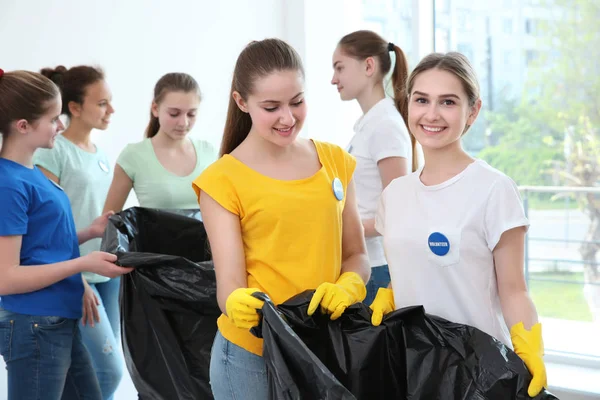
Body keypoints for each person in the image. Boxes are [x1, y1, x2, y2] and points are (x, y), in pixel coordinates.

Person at [192, 39, 370, 399]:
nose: (288, 118)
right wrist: (236, 304)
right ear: (242, 102)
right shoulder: (221, 181)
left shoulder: (334, 161)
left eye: (297, 102)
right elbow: (229, 285)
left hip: (323, 344)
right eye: (271, 107)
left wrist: (349, 285)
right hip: (252, 354)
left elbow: (356, 255)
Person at [369, 52, 547, 397]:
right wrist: (392, 294)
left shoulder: (494, 189)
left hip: (478, 376)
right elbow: (409, 267)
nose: (431, 114)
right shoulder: (395, 194)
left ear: (473, 111)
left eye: (448, 102)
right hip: (412, 371)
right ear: (408, 105)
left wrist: (530, 347)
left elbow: (513, 289)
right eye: (422, 100)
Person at [0, 68, 133, 400]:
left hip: (57, 319)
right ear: (23, 126)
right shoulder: (9, 184)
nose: (60, 126)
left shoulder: (31, 175)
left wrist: (89, 231)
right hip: (34, 324)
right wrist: (81, 266)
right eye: (51, 119)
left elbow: (41, 247)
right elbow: (7, 277)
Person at [34, 65, 122, 400]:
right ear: (74, 107)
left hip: (108, 275)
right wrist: (79, 279)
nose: (110, 110)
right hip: (77, 275)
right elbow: (49, 225)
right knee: (107, 371)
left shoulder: (101, 155)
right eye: (102, 103)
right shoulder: (52, 152)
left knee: (101, 370)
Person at [331, 30, 417, 304]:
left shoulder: (385, 126)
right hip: (365, 262)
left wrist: (337, 227)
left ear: (368, 66)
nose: (334, 79)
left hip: (377, 267)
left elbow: (397, 212)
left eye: (339, 67)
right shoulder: (372, 124)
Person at [103, 73, 216, 213]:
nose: (184, 123)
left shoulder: (209, 152)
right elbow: (108, 222)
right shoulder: (133, 156)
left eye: (191, 114)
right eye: (174, 114)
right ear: (155, 109)